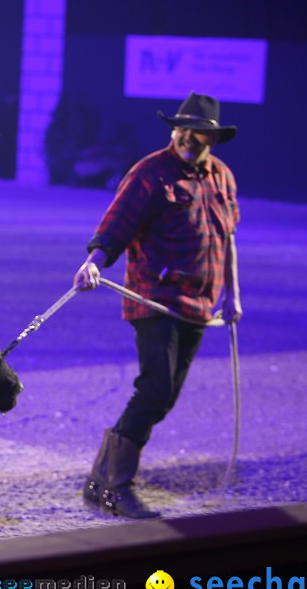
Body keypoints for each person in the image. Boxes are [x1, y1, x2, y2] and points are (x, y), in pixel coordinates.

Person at [72, 91, 242, 518]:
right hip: (154, 299)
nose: (187, 138)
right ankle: (117, 487)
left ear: (212, 140)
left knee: (163, 399)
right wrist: (93, 262)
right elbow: (116, 225)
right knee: (155, 389)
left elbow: (228, 240)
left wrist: (233, 295)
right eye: (182, 129)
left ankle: (99, 481)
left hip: (199, 306)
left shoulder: (222, 177)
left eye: (198, 133)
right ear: (174, 130)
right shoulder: (150, 174)